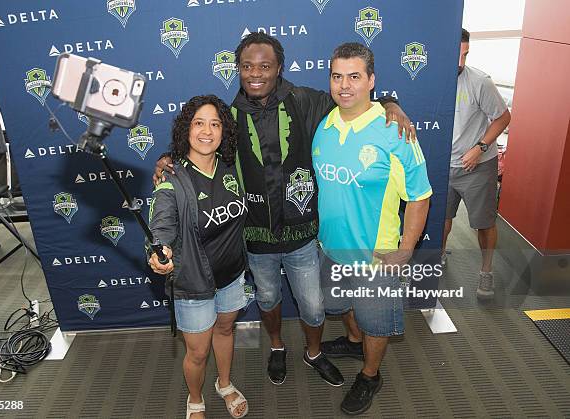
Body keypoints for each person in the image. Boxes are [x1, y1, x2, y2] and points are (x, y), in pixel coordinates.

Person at [154, 32, 417, 387]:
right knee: (267, 298)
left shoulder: (306, 101)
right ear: (238, 70)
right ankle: (276, 347)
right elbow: (202, 143)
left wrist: (389, 104)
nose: (255, 73)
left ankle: (313, 352)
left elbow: (353, 101)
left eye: (265, 65)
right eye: (247, 66)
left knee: (313, 305)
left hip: (304, 236)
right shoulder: (229, 116)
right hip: (255, 239)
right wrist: (169, 158)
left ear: (279, 67)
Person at [313, 42, 431, 415]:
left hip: (376, 258)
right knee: (340, 307)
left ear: (371, 81)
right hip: (330, 249)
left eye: (354, 76)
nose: (344, 85)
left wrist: (407, 246)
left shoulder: (395, 133)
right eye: (337, 76)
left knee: (376, 324)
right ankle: (352, 339)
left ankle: (370, 374)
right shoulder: (324, 126)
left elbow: (419, 195)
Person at [148, 95, 249, 419]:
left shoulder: (231, 166)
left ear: (224, 132)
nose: (207, 131)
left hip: (232, 276)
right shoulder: (172, 179)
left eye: (215, 124)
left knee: (225, 330)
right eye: (199, 123)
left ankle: (224, 383)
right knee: (198, 351)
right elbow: (161, 223)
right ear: (186, 130)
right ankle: (195, 400)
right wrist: (160, 251)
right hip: (193, 285)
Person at [441, 28, 511, 300]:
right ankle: (438, 259)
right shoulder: (432, 79)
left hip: (477, 165)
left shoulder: (479, 81)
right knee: (442, 221)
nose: (461, 62)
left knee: (484, 223)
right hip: (443, 166)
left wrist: (480, 147)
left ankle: (486, 270)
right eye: (455, 55)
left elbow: (504, 118)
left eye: (466, 55)